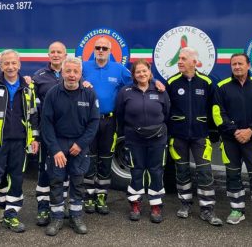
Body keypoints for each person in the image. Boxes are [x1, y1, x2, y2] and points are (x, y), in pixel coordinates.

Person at [0, 49, 40, 243]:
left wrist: (34, 138)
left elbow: (33, 116)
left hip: (20, 142)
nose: (10, 67)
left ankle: (11, 215)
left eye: (13, 63)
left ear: (19, 65)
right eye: (6, 63)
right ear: (1, 65)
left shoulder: (28, 88)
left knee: (17, 179)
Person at [212, 53, 252, 233]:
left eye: (240, 63)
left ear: (248, 65)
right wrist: (234, 131)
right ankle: (236, 210)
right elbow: (218, 113)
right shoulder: (222, 87)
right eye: (234, 64)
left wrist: (250, 131)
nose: (237, 67)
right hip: (229, 141)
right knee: (232, 175)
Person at [41, 57, 99, 236]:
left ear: (81, 73)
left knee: (77, 181)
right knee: (57, 181)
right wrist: (55, 149)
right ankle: (57, 218)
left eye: (76, 72)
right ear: (62, 73)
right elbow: (46, 123)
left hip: (79, 145)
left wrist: (81, 144)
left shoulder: (89, 93)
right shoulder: (53, 93)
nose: (72, 75)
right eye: (68, 71)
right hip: (58, 144)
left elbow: (94, 122)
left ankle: (76, 216)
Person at [166, 47, 223, 226]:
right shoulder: (172, 82)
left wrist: (214, 131)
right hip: (178, 136)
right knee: (181, 171)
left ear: (194, 62)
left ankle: (207, 210)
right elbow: (166, 110)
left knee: (205, 172)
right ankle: (185, 204)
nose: (179, 62)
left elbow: (214, 108)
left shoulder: (207, 82)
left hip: (200, 136)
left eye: (183, 59)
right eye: (179, 59)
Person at [81, 36, 132, 214]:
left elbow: (138, 82)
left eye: (104, 48)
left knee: (105, 159)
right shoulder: (84, 67)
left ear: (110, 51)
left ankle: (101, 196)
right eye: (98, 47)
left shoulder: (119, 69)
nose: (101, 51)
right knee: (89, 159)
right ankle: (88, 196)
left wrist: (155, 83)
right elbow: (68, 80)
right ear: (93, 50)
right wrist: (81, 82)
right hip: (89, 121)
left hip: (110, 122)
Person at [115, 59, 170, 223]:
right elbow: (120, 113)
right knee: (136, 170)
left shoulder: (160, 90)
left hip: (158, 138)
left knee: (156, 171)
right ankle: (135, 204)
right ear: (133, 75)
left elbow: (166, 112)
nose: (141, 74)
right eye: (138, 72)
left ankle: (155, 206)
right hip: (134, 139)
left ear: (149, 72)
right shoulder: (126, 91)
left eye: (144, 71)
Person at [32, 41, 70, 226]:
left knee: (64, 170)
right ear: (48, 55)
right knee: (45, 170)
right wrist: (35, 135)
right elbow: (31, 108)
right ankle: (43, 207)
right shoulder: (38, 77)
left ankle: (60, 205)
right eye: (52, 52)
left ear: (65, 55)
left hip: (66, 133)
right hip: (47, 132)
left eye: (59, 52)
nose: (56, 55)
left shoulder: (71, 74)